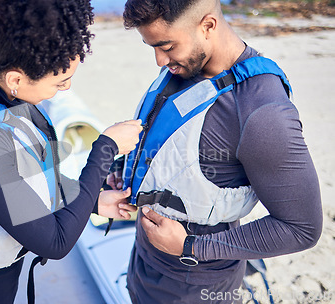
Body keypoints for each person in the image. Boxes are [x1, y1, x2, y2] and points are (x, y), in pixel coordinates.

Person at [0, 1, 142, 303]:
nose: (67, 89)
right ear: (16, 80)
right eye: (60, 82)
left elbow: (14, 184)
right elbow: (55, 242)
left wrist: (93, 202)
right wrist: (105, 149)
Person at [106, 0, 323, 303]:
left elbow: (302, 228)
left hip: (196, 284)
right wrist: (124, 170)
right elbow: (173, 151)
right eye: (152, 46)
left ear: (207, 26)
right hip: (143, 261)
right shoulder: (187, 65)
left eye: (166, 46)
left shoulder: (262, 112)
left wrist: (191, 246)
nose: (158, 60)